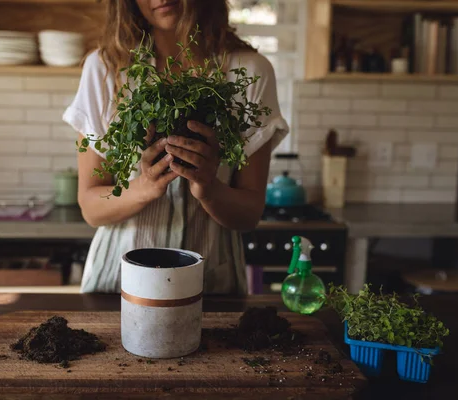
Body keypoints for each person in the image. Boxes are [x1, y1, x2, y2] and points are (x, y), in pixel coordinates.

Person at [63, 0, 289, 294]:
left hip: (212, 287)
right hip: (117, 287)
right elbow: (92, 208)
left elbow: (248, 214)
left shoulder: (249, 71)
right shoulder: (106, 69)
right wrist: (145, 187)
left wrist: (209, 188)